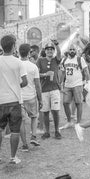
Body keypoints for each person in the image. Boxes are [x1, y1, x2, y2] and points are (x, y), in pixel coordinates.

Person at [0, 35, 28, 164]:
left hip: (1, 100)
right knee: (15, 130)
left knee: (0, 129)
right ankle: (12, 157)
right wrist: (16, 84)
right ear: (13, 46)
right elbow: (25, 82)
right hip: (15, 100)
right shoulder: (19, 62)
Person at [36, 40, 62, 140]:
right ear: (45, 51)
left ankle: (57, 131)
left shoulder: (56, 59)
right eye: (48, 49)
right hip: (44, 90)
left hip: (55, 89)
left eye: (52, 49)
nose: (50, 51)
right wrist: (44, 74)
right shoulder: (40, 60)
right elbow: (36, 74)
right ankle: (47, 132)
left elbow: (59, 53)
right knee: (45, 112)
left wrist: (57, 45)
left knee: (55, 111)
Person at [19, 44, 43, 151]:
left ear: (19, 52)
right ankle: (33, 136)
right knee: (34, 117)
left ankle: (24, 144)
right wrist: (40, 99)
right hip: (31, 96)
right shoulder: (33, 66)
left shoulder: (16, 65)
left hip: (19, 98)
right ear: (29, 53)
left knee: (22, 122)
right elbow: (37, 85)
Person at [60, 44, 90, 129]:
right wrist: (60, 83)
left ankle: (78, 123)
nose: (72, 51)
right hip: (67, 85)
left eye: (73, 49)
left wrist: (88, 82)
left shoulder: (80, 59)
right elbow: (62, 72)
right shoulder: (64, 60)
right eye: (70, 49)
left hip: (77, 84)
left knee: (78, 103)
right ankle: (69, 121)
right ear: (68, 50)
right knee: (65, 103)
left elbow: (86, 71)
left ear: (76, 50)